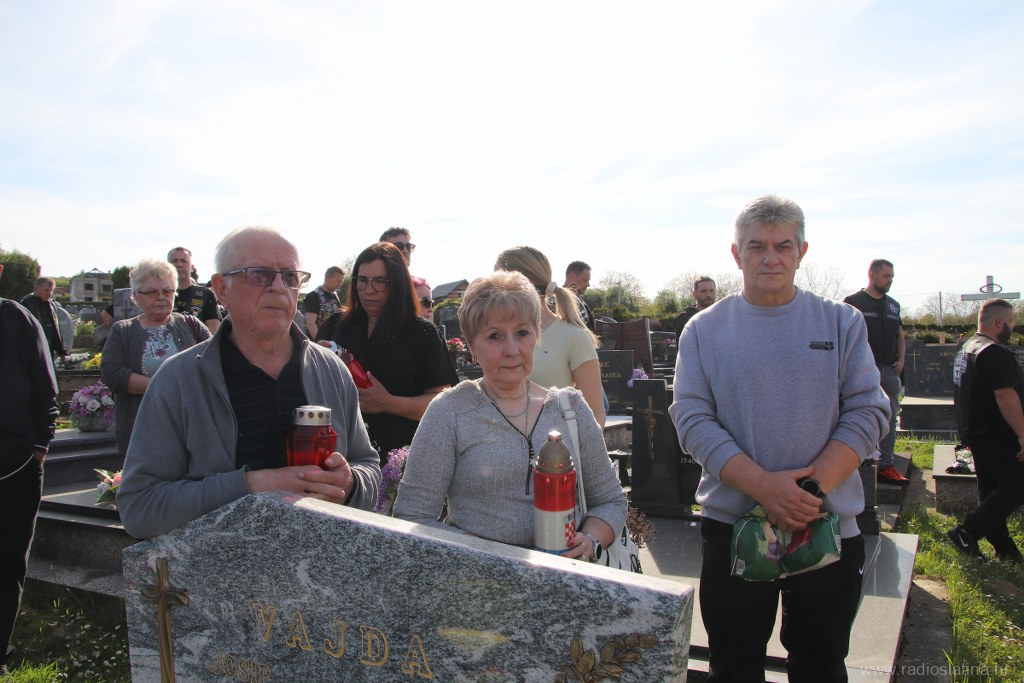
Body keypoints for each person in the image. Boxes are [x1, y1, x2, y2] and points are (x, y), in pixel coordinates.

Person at [669, 195, 890, 681]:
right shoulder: (703, 330)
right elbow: (692, 419)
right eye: (757, 246)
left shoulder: (841, 323)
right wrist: (765, 488)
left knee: (820, 663)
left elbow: (869, 409)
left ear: (801, 251)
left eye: (783, 246)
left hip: (826, 525)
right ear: (736, 254)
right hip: (733, 528)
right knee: (734, 665)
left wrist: (807, 492)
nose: (771, 258)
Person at [117, 227, 381, 539]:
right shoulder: (178, 380)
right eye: (259, 274)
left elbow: (367, 466)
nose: (279, 287)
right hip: (219, 568)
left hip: (321, 565)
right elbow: (140, 508)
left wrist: (350, 484)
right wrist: (249, 486)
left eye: (290, 276)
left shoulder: (331, 370)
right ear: (221, 288)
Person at [394, 270, 626, 560]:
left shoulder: (571, 408)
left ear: (536, 335)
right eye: (494, 336)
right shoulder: (449, 412)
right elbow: (413, 516)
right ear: (471, 345)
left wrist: (590, 540)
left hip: (563, 581)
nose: (512, 350)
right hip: (477, 582)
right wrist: (493, 559)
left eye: (522, 333)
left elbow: (610, 501)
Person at [316, 242, 457, 463]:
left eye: (380, 281)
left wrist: (388, 403)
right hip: (340, 454)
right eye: (363, 280)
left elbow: (442, 402)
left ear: (398, 284)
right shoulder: (336, 325)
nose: (369, 290)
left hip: (398, 458)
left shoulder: (421, 333)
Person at [0, 265, 59, 676]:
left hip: (13, 466)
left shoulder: (15, 318)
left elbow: (44, 384)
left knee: (6, 565)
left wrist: (39, 447)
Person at [100, 259, 212, 455]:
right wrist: (163, 387)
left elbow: (215, 363)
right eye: (152, 292)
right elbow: (113, 373)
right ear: (136, 296)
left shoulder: (191, 325)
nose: (161, 297)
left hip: (191, 428)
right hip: (142, 430)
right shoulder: (123, 330)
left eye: (167, 291)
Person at [948, 298, 1024, 564]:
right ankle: (967, 531)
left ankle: (1005, 549)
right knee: (1017, 486)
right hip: (998, 432)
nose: (1013, 326)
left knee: (992, 488)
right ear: (1000, 322)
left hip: (977, 431)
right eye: (1011, 321)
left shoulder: (968, 348)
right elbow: (1005, 395)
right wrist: (1022, 434)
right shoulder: (993, 352)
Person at [496, 246, 606, 428]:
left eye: (496, 280)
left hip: (554, 445)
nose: (490, 289)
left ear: (518, 281)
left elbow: (595, 416)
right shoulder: (494, 337)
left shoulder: (574, 337)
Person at [845, 259, 909, 485]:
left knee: (890, 418)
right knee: (860, 415)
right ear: (871, 275)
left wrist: (901, 360)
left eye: (892, 277)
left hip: (888, 370)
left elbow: (899, 335)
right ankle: (860, 461)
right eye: (886, 276)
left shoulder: (893, 305)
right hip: (863, 371)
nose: (890, 281)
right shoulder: (853, 302)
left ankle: (886, 465)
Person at [168, 246, 222, 333]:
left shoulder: (205, 294)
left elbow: (214, 329)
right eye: (174, 261)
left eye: (184, 261)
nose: (179, 265)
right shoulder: (157, 294)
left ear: (192, 267)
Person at [19, 277, 67, 364]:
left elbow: (56, 328)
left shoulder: (51, 304)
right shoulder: (25, 303)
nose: (49, 293)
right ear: (36, 288)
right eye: (46, 290)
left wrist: (61, 351)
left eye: (51, 290)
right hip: (32, 350)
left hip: (48, 348)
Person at [303, 266, 345, 339]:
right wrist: (320, 342)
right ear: (328, 277)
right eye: (338, 281)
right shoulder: (314, 295)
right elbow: (310, 323)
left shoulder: (335, 295)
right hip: (317, 343)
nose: (340, 285)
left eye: (341, 282)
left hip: (332, 341)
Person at [563, 261, 596, 332]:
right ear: (572, 276)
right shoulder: (556, 302)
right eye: (585, 280)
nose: (588, 285)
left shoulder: (581, 302)